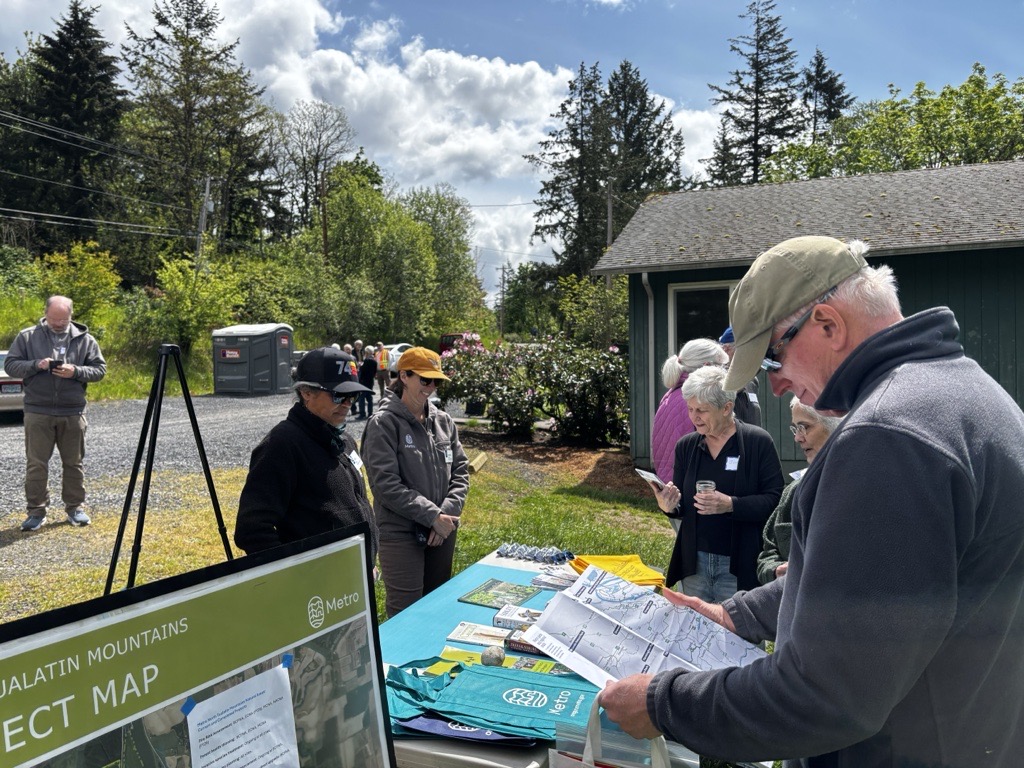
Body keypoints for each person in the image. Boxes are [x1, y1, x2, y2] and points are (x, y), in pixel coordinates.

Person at [600, 235, 1024, 768]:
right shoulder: (964, 390)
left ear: (828, 323)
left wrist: (662, 703)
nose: (777, 389)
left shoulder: (888, 437)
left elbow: (827, 695)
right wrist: (735, 616)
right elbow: (871, 589)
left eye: (772, 359)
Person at [649, 365, 783, 602]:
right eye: (690, 409)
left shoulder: (757, 442)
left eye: (702, 410)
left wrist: (731, 504)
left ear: (726, 408)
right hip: (695, 564)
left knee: (739, 636)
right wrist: (669, 505)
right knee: (694, 634)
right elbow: (682, 505)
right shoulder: (687, 446)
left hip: (740, 563)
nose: (694, 417)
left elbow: (775, 500)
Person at [234, 346, 378, 560]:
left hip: (355, 580)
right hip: (318, 589)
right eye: (339, 395)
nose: (348, 404)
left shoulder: (344, 440)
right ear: (306, 392)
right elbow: (252, 530)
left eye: (353, 395)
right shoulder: (282, 444)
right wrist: (298, 575)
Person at [362, 347, 469, 617]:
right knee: (406, 616)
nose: (430, 387)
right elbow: (385, 485)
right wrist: (432, 515)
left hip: (442, 531)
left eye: (436, 381)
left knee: (437, 608)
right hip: (401, 534)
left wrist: (446, 515)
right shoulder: (383, 424)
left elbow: (461, 471)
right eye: (424, 379)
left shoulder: (444, 421)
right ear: (404, 376)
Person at [4, 295, 106, 531]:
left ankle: (75, 508)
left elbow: (100, 370)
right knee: (36, 464)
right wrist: (36, 365)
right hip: (38, 411)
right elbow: (10, 366)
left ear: (71, 315)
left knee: (74, 463)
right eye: (54, 319)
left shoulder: (85, 339)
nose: (58, 323)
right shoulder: (27, 336)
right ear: (45, 313)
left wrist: (76, 371)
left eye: (63, 319)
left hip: (73, 411)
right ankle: (36, 512)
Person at [756, 398, 840, 584]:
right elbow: (767, 555)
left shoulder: (863, 488)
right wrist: (775, 571)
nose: (797, 437)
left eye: (804, 427)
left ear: (836, 424)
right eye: (796, 428)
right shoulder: (794, 492)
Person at [651, 338, 729, 485]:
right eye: (721, 366)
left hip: (671, 483)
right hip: (691, 487)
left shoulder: (671, 395)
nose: (724, 372)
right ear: (707, 366)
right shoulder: (695, 400)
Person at [719, 325, 762, 427]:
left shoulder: (752, 381)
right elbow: (729, 390)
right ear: (727, 349)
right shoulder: (718, 379)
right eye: (747, 350)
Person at [355, 346, 377, 419]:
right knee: (369, 398)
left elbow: (363, 370)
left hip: (364, 382)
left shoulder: (366, 361)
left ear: (367, 352)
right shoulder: (374, 361)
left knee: (361, 398)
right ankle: (370, 413)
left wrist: (360, 366)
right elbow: (374, 373)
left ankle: (362, 414)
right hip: (370, 381)